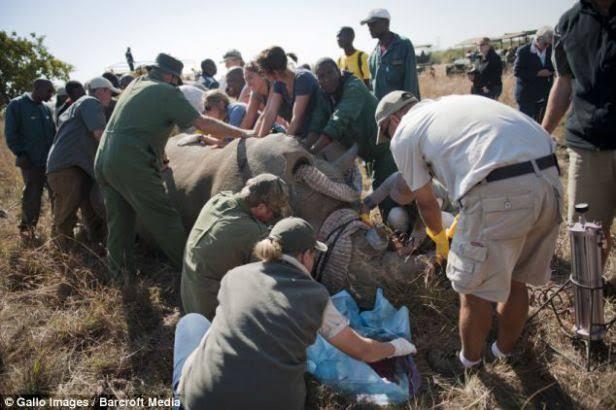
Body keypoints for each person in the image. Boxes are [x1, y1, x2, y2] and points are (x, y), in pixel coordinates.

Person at [374, 91, 562, 377]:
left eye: (386, 133)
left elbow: (425, 202)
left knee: (472, 291)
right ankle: (504, 352)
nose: (390, 140)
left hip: (502, 190)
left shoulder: (405, 132)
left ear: (394, 119)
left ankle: (469, 367)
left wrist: (440, 242)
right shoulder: (452, 103)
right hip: (549, 179)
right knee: (517, 279)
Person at [174, 217, 416, 409]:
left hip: (201, 402)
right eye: (313, 254)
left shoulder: (235, 276)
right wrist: (397, 347)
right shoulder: (316, 296)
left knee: (192, 322)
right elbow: (362, 350)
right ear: (304, 255)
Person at [94, 53, 253, 280]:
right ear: (170, 76)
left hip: (104, 158)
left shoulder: (137, 84)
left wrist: (161, 157)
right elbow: (203, 124)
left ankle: (121, 277)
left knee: (120, 222)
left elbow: (142, 126)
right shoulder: (166, 91)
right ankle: (192, 275)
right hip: (130, 162)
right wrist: (243, 133)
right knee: (165, 219)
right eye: (176, 80)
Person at [542, 0, 615, 268]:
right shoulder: (568, 23)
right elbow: (563, 83)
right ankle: (589, 305)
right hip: (588, 148)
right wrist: (541, 133)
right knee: (585, 237)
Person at [181, 174, 291, 319]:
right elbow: (268, 282)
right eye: (273, 212)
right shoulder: (253, 233)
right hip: (210, 315)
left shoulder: (220, 199)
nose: (272, 216)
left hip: (189, 299)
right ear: (261, 207)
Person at [307, 58, 397, 216]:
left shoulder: (354, 86)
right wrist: (305, 150)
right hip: (364, 151)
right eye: (321, 76)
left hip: (384, 148)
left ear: (339, 72)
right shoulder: (323, 94)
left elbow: (340, 119)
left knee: (391, 197)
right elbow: (317, 121)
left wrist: (313, 152)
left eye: (330, 73)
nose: (327, 79)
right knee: (379, 193)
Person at [46, 77, 117, 244]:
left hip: (72, 166)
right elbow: (100, 135)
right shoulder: (91, 102)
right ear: (102, 91)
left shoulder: (78, 104)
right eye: (110, 93)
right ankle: (63, 249)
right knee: (67, 211)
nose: (111, 98)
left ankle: (96, 242)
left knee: (88, 205)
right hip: (67, 167)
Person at [4, 79, 56, 238]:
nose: (51, 94)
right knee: (32, 196)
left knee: (56, 194)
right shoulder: (16, 105)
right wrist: (21, 154)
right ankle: (27, 231)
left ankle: (59, 229)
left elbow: (52, 134)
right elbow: (11, 134)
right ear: (37, 88)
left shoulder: (46, 109)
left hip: (50, 162)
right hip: (31, 162)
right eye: (48, 91)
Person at [256, 46, 318, 137]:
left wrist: (286, 143)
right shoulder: (279, 83)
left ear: (275, 72)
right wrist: (259, 140)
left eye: (264, 72)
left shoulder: (303, 79)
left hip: (314, 133)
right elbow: (270, 114)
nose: (264, 76)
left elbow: (296, 118)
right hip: (298, 134)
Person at [361, 8, 420, 100]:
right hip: (383, 111)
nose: (369, 28)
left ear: (386, 23)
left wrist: (410, 108)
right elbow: (373, 89)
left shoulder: (403, 45)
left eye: (373, 24)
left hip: (404, 108)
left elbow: (411, 82)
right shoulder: (373, 57)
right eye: (368, 25)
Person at [514, 27, 555, 123]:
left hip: (544, 94)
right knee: (526, 125)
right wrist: (537, 74)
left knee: (541, 124)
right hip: (526, 95)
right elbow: (517, 71)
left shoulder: (550, 50)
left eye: (549, 44)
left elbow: (554, 66)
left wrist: (551, 71)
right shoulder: (523, 51)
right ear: (538, 39)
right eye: (545, 43)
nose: (547, 46)